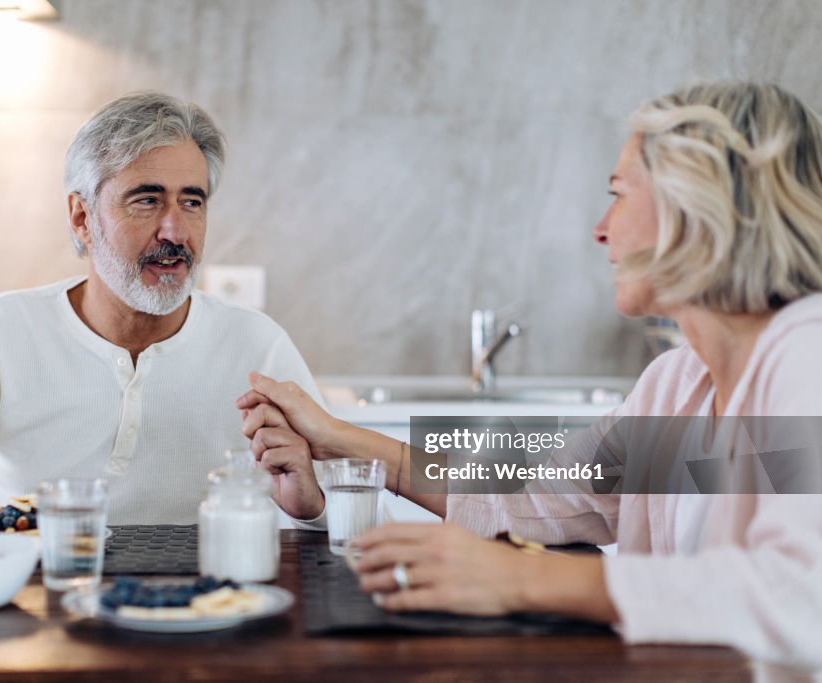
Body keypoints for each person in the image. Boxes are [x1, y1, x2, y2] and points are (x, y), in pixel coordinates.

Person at [238, 81, 822, 670]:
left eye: (619, 195)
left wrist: (521, 577)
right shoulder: (679, 384)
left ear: (699, 205)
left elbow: (801, 597)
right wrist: (338, 436)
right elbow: (534, 491)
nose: (601, 229)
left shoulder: (808, 356)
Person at [0, 92, 326, 551]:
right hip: (34, 612)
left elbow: (357, 501)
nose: (176, 229)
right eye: (146, 200)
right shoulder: (1, 329)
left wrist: (312, 506)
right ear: (81, 216)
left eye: (193, 201)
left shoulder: (258, 344)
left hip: (212, 613)